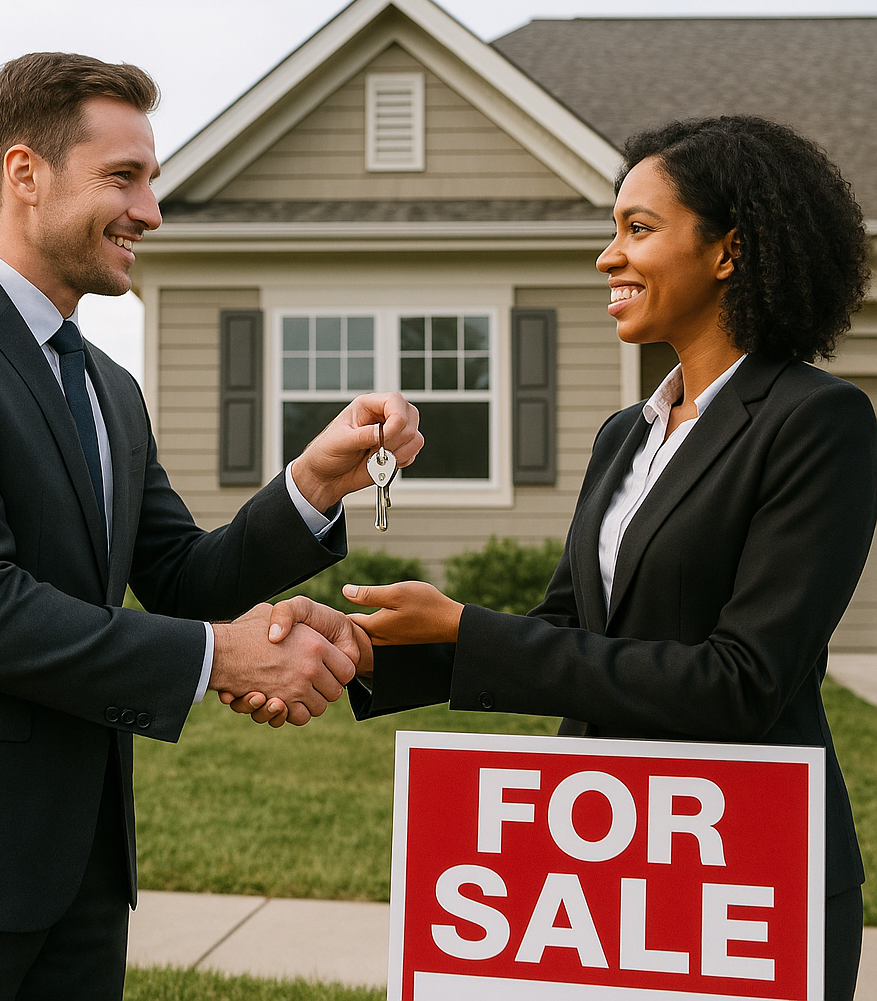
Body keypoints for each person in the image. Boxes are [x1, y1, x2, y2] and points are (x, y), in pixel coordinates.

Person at [243, 116, 876, 998]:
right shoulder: (627, 434)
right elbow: (567, 630)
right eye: (613, 229)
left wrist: (465, 625)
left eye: (639, 229)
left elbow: (742, 682)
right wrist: (361, 647)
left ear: (729, 250)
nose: (607, 257)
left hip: (749, 871)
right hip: (601, 862)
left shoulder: (818, 423)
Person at [0, 52, 420, 1000]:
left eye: (150, 180)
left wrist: (315, 481)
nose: (151, 211)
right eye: (124, 177)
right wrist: (224, 658)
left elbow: (183, 577)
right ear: (24, 174)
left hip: (87, 875)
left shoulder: (112, 389)